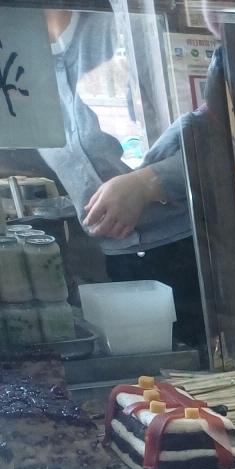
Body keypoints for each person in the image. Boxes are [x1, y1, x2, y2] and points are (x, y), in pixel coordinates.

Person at [38, 7, 206, 349]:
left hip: (197, 254)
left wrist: (145, 184)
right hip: (118, 268)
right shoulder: (23, 60)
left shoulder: (128, 30)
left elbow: (222, 141)